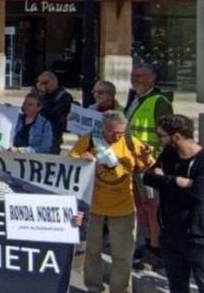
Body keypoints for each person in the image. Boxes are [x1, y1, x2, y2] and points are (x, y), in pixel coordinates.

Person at [72, 111, 155, 293]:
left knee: (123, 256)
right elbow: (70, 164)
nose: (116, 137)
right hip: (93, 207)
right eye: (112, 133)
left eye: (120, 133)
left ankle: (120, 290)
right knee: (92, 252)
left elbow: (149, 166)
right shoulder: (90, 141)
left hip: (123, 208)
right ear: (103, 129)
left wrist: (144, 159)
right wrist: (81, 159)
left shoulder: (131, 142)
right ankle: (93, 287)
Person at [144, 114, 204, 293]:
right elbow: (148, 178)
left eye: (161, 135)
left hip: (201, 236)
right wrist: (180, 181)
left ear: (177, 136)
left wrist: (165, 178)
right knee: (177, 286)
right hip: (171, 234)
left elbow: (200, 192)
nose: (159, 140)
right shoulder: (169, 155)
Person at [126, 64, 174, 263]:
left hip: (150, 163)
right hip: (133, 163)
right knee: (141, 204)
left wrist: (159, 163)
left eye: (140, 76)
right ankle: (147, 242)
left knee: (152, 206)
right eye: (133, 75)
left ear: (152, 79)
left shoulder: (159, 101)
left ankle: (156, 248)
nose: (134, 79)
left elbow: (168, 135)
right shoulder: (136, 99)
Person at [35, 71, 73, 154]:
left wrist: (43, 95)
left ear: (54, 81)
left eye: (45, 83)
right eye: (40, 83)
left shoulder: (64, 96)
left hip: (53, 135)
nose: (43, 86)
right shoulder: (38, 96)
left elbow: (53, 113)